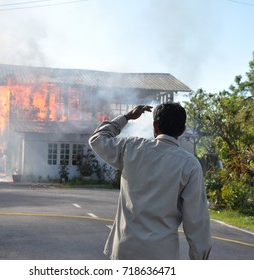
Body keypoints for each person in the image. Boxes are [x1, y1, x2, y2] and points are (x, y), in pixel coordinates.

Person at [89, 102, 212, 260]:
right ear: (182, 130)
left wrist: (127, 117)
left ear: (155, 126)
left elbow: (97, 139)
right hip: (162, 255)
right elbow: (197, 221)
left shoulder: (131, 148)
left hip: (124, 251)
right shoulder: (190, 165)